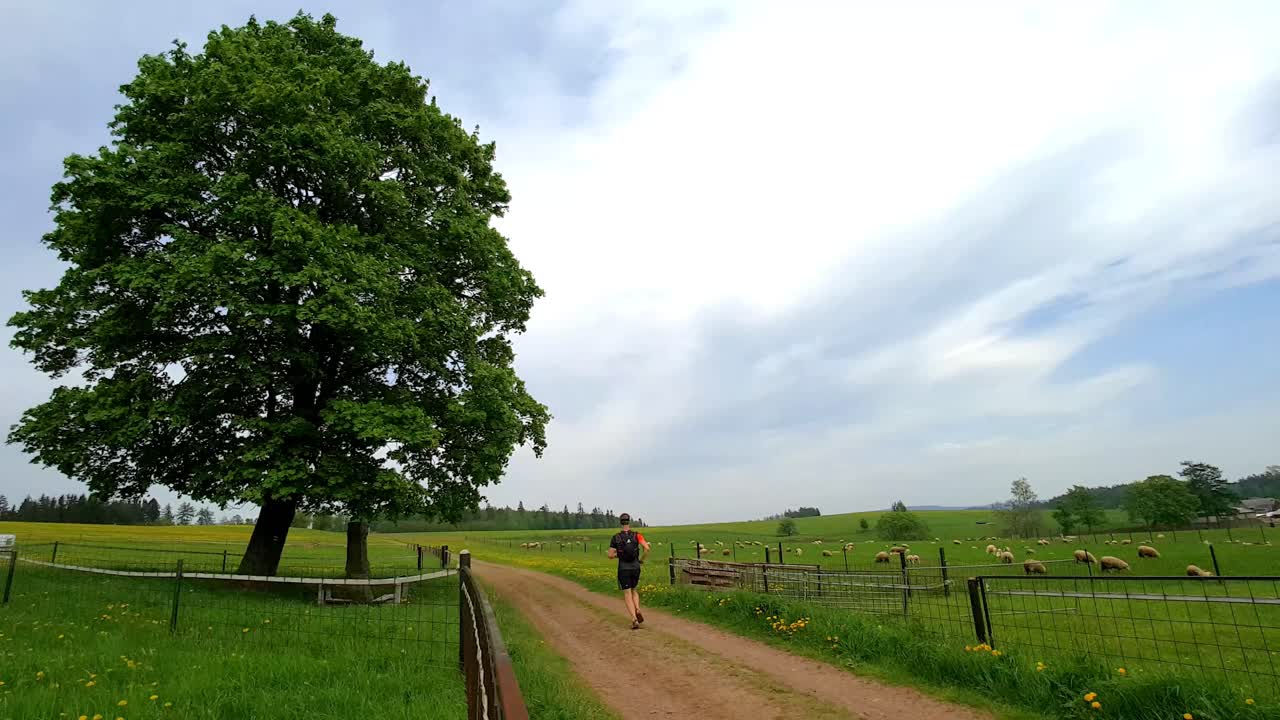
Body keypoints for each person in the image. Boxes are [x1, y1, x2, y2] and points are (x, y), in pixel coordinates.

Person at [607, 512, 651, 629]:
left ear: (621, 522)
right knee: (634, 590)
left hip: (623, 568)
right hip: (636, 566)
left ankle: (634, 619)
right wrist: (641, 560)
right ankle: (637, 608)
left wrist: (619, 554)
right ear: (629, 521)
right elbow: (647, 548)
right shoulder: (637, 535)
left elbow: (610, 555)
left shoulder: (616, 537)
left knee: (627, 593)